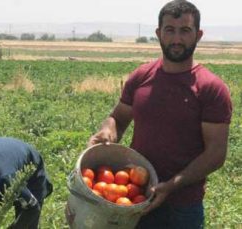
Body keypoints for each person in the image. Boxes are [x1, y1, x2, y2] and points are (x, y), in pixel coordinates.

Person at [88, 0, 232, 228]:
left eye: (185, 31)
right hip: (135, 197)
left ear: (198, 34)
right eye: (170, 30)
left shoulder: (210, 88)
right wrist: (108, 129)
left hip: (183, 207)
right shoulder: (141, 76)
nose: (176, 39)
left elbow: (215, 153)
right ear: (158, 33)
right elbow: (118, 117)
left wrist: (172, 185)